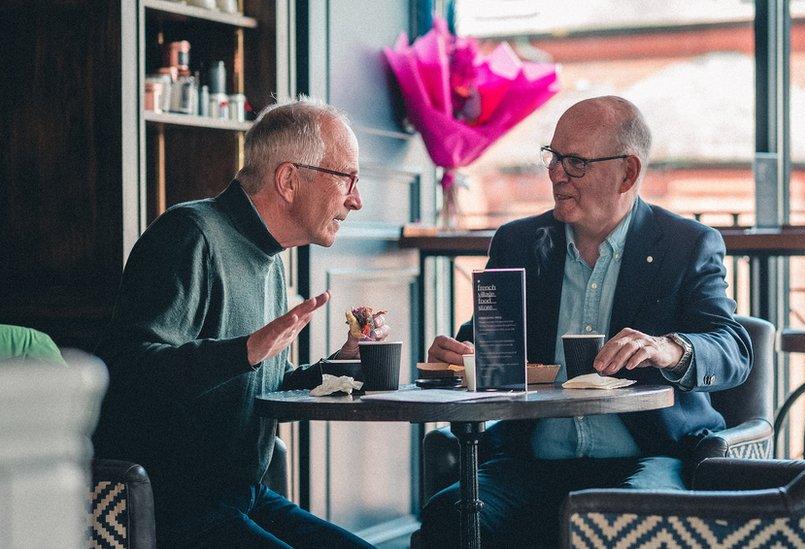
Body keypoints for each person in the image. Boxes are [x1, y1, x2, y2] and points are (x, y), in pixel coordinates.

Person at [418, 96, 753, 547]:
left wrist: (669, 348)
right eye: (553, 158)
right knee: (446, 518)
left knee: (627, 520)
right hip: (529, 461)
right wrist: (459, 356)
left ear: (628, 173)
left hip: (648, 456)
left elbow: (731, 346)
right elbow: (486, 343)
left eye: (575, 163)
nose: (556, 175)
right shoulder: (518, 241)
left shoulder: (686, 244)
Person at [93, 98, 385, 548]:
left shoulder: (271, 260)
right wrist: (246, 350)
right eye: (347, 178)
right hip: (170, 507)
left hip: (245, 498)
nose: (357, 199)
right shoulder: (189, 234)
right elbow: (127, 371)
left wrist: (343, 363)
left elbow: (261, 384)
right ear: (289, 179)